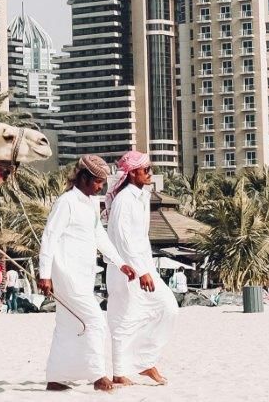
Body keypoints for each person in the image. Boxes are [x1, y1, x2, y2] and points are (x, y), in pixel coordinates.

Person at [39, 154, 136, 392]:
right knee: (94, 320)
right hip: (66, 273)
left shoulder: (91, 203)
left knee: (66, 324)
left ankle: (56, 378)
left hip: (84, 273)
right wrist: (44, 274)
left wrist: (120, 262)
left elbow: (98, 236)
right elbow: (49, 237)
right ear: (83, 177)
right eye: (98, 181)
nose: (101, 186)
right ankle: (98, 376)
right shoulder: (66, 202)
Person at [105, 150, 178, 387]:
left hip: (144, 266)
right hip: (125, 269)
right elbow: (122, 239)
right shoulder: (124, 200)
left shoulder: (141, 196)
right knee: (123, 319)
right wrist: (140, 270)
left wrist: (147, 268)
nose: (150, 173)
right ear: (133, 173)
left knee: (168, 308)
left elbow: (139, 239)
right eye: (146, 170)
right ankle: (119, 372)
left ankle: (145, 361)